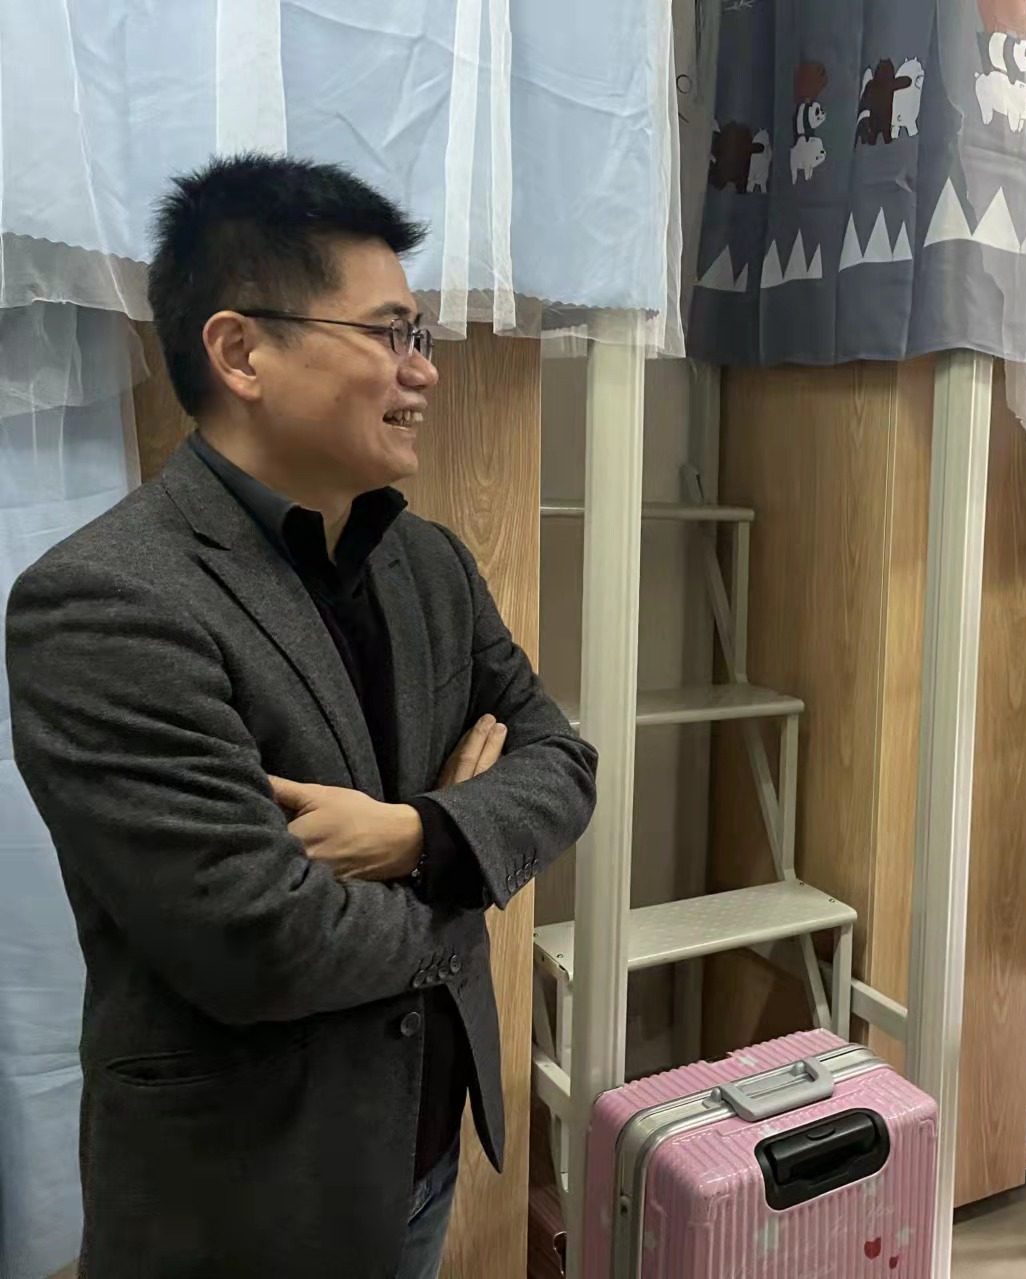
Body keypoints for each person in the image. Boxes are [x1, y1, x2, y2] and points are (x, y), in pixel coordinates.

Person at [4, 154, 598, 1279]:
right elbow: (261, 943)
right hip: (246, 1198)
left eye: (421, 333)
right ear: (241, 352)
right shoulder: (104, 601)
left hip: (422, 1146)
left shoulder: (428, 561)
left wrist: (418, 834)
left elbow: (562, 760)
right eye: (390, 332)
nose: (423, 370)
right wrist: (465, 881)